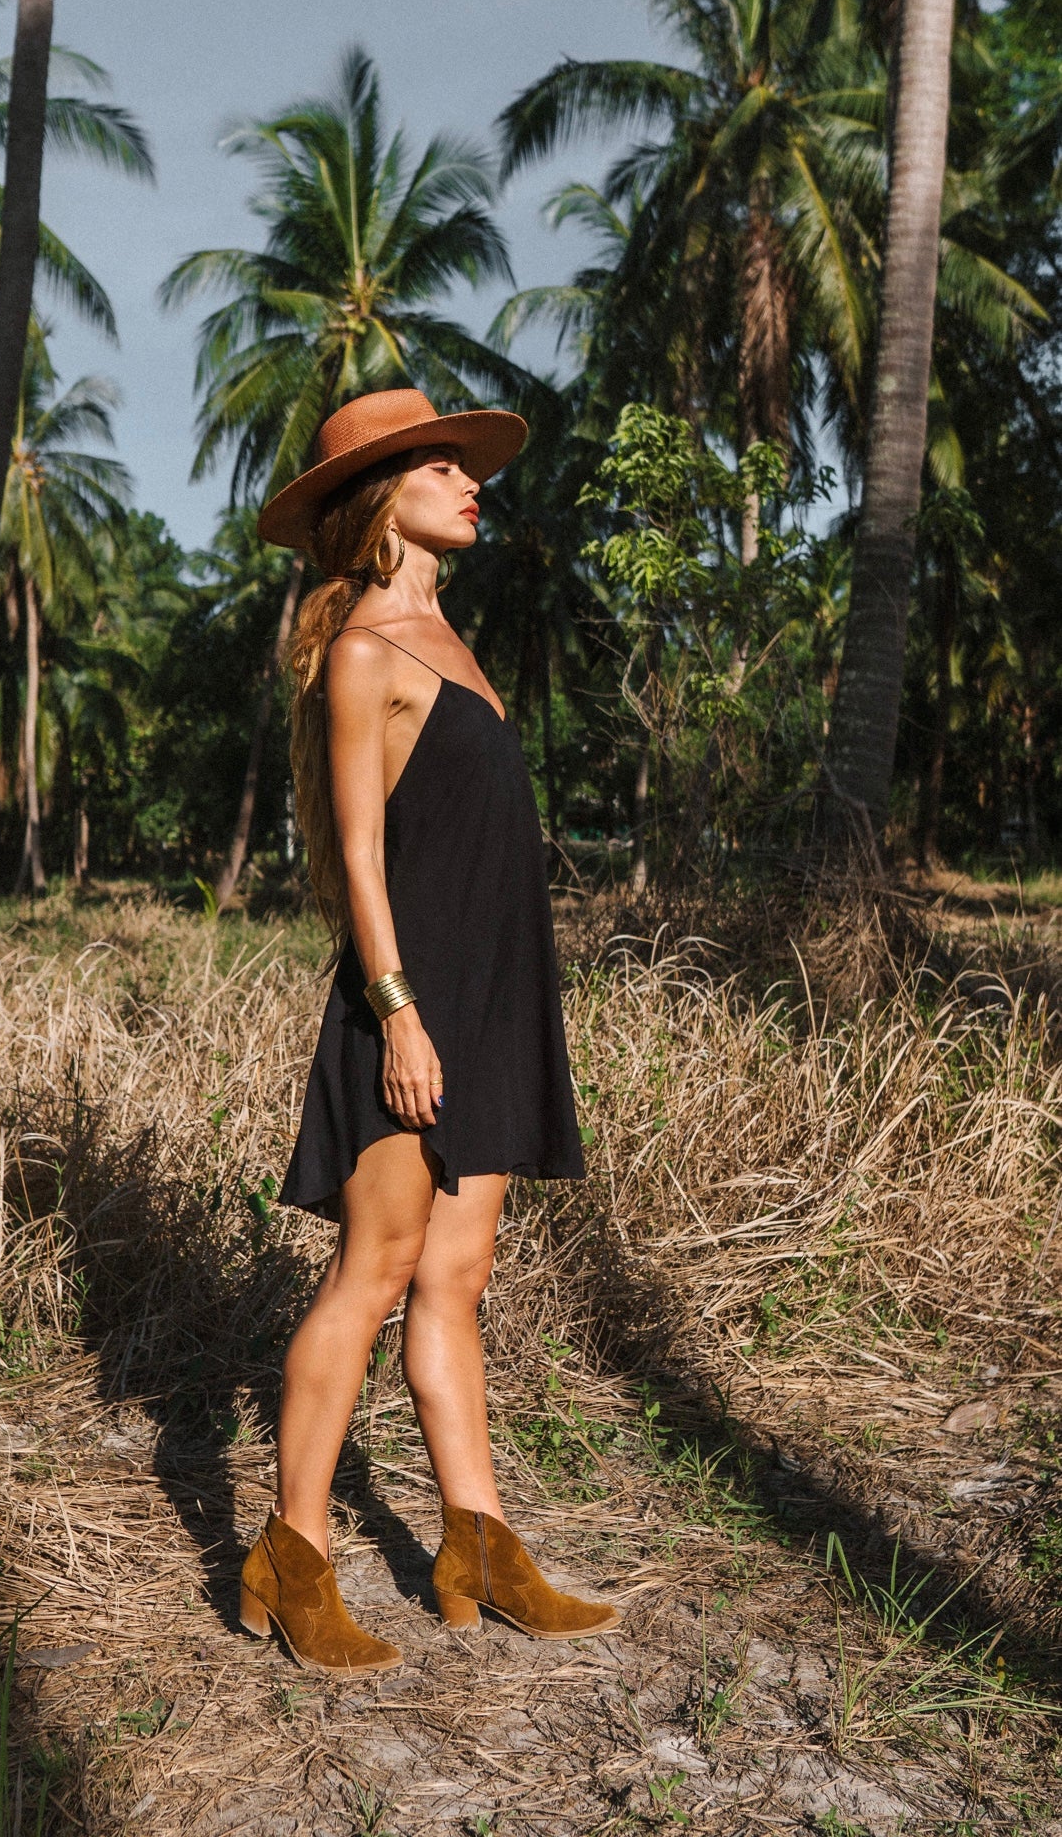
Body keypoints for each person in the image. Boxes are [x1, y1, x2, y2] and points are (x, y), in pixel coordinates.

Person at [239, 388, 617, 1675]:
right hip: (410, 1007)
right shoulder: (362, 651)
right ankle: (291, 1560)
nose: (470, 482)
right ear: (380, 495)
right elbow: (356, 854)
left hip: (498, 998)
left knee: (457, 1278)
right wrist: (397, 1012)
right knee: (376, 1269)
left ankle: (481, 1549)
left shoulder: (454, 641)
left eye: (465, 464)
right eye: (440, 466)